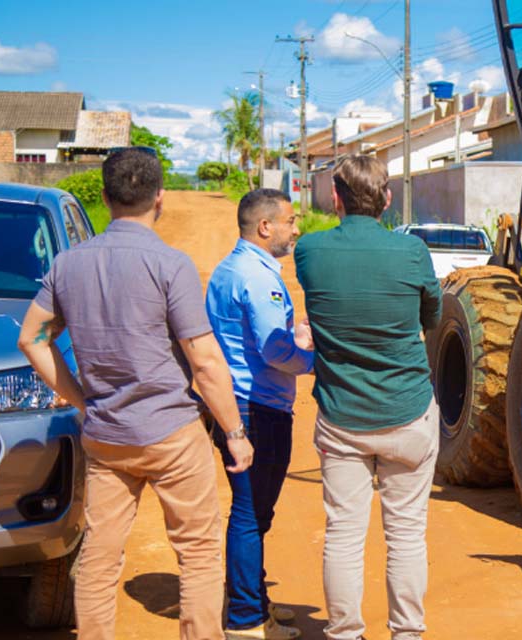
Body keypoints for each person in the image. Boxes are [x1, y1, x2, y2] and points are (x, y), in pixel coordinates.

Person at [17, 148, 253, 640]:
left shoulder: (68, 264)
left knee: (100, 558)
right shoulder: (171, 264)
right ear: (160, 199)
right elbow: (205, 361)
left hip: (106, 439)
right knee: (199, 553)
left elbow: (32, 339)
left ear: (104, 198)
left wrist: (83, 401)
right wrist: (234, 431)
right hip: (172, 434)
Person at [294, 155, 442, 640]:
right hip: (408, 414)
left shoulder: (309, 251)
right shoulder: (413, 252)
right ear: (388, 199)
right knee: (405, 537)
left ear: (334, 198)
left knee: (343, 535)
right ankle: (407, 633)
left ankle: (344, 633)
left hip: (342, 419)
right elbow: (431, 317)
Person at [206, 189, 314, 640]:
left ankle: (252, 600)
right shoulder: (258, 277)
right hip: (258, 408)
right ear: (265, 227)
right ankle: (246, 620)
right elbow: (274, 350)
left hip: (238, 405)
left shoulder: (227, 270)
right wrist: (310, 357)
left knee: (255, 513)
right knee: (251, 514)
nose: (296, 229)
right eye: (290, 221)